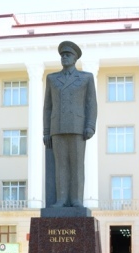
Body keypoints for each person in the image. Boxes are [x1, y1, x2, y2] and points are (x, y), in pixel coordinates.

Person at [43, 40, 98, 208]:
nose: (64, 58)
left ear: (75, 58)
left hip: (77, 128)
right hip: (57, 128)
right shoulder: (52, 79)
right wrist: (46, 131)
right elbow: (48, 107)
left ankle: (76, 200)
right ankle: (61, 200)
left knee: (76, 166)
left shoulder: (85, 78)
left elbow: (91, 104)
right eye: (62, 55)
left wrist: (90, 126)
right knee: (60, 167)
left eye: (67, 55)